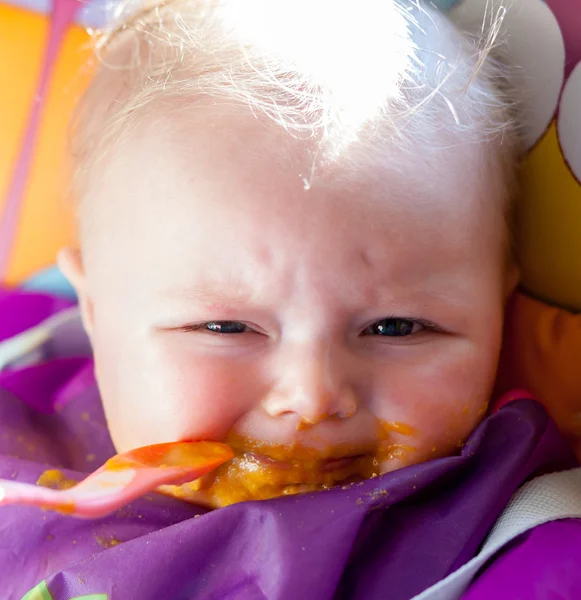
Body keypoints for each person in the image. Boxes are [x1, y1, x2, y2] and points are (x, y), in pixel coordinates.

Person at [0, 1, 578, 598]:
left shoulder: (523, 543)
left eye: (396, 327)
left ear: (497, 308)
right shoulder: (19, 363)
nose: (312, 397)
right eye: (226, 327)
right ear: (95, 309)